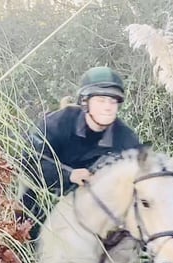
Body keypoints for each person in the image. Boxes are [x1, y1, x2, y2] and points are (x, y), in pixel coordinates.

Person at [20, 66, 141, 237]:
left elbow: (143, 174)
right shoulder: (58, 123)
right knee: (23, 194)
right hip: (46, 197)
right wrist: (69, 175)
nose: (108, 107)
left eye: (113, 101)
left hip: (94, 212)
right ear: (85, 102)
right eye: (101, 100)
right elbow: (28, 162)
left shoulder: (125, 137)